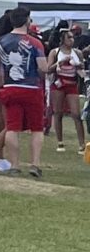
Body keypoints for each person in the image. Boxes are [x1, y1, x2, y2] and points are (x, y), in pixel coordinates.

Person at [0, 9, 48, 178]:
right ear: (27, 21)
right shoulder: (35, 43)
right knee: (36, 128)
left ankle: (14, 164)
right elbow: (42, 68)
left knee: (12, 127)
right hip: (32, 88)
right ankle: (35, 164)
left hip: (10, 87)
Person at [48, 24, 85, 157]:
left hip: (71, 84)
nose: (72, 40)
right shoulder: (55, 52)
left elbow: (81, 70)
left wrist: (80, 67)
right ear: (63, 39)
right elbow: (48, 69)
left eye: (73, 37)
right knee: (57, 112)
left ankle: (82, 144)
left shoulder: (78, 53)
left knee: (76, 114)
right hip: (58, 84)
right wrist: (60, 63)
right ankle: (60, 141)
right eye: (69, 37)